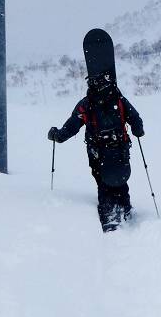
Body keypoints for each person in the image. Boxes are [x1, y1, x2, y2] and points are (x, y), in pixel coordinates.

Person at [47, 71, 145, 232]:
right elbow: (135, 119)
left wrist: (56, 135)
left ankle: (109, 214)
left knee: (103, 180)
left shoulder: (86, 104)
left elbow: (71, 127)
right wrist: (138, 131)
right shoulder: (119, 100)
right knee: (120, 178)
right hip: (120, 148)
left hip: (97, 151)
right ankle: (125, 208)